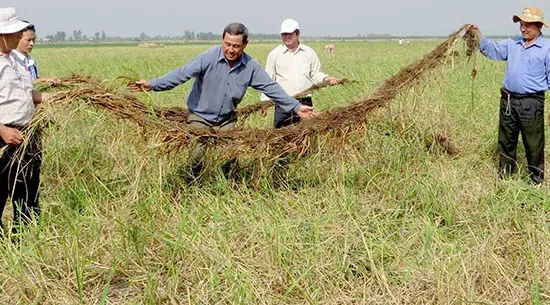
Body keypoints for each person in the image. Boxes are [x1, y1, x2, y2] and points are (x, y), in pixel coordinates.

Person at [128, 22, 316, 176]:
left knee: (230, 154)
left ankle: (229, 185)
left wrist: (297, 107)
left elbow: (271, 88)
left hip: (227, 118)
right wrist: (152, 84)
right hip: (200, 116)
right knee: (198, 153)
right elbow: (181, 74)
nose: (230, 49)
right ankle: (191, 184)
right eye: (227, 44)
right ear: (222, 40)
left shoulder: (250, 66)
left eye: (236, 46)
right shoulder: (207, 58)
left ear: (245, 45)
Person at [470, 6, 550, 184]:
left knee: (534, 143)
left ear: (539, 26)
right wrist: (478, 34)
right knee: (506, 140)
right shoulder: (513, 43)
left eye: (528, 25)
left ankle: (535, 180)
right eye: (522, 24)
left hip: (532, 102)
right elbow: (492, 50)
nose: (523, 28)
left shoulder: (547, 48)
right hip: (508, 100)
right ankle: (505, 177)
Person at [0, 7, 49, 236]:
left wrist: (60, 99)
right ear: (3, 35)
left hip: (26, 135)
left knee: (27, 190)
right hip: (4, 138)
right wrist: (2, 131)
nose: (19, 37)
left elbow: (30, 95)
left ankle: (24, 238)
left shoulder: (18, 62)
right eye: (14, 33)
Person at [260, 18, 340, 128]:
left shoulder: (309, 53)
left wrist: (325, 79)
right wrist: (264, 102)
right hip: (283, 102)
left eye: (290, 34)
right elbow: (268, 80)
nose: (287, 37)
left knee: (305, 136)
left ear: (297, 34)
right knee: (281, 138)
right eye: (284, 34)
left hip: (304, 102)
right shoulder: (274, 54)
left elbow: (315, 73)